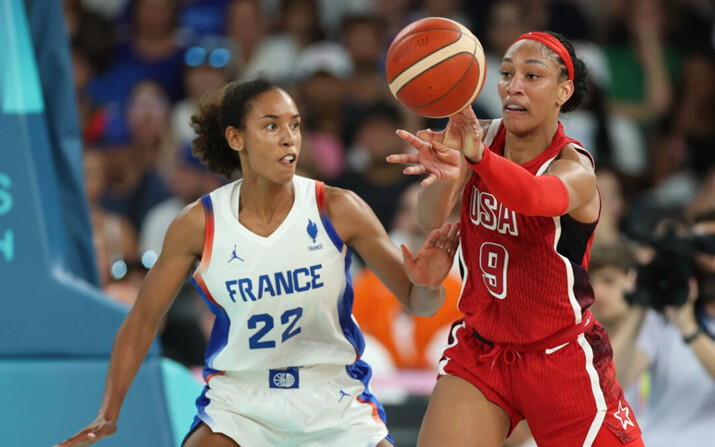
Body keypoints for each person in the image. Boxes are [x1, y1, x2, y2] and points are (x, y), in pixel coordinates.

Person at [54, 78, 460, 447]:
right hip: (241, 401)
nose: (290, 139)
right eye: (272, 126)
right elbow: (142, 319)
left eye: (296, 125)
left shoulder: (337, 207)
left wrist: (427, 284)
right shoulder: (200, 222)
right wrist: (109, 412)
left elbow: (419, 302)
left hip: (331, 397)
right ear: (236, 138)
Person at [387, 31, 645, 447]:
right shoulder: (479, 139)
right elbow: (428, 215)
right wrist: (445, 174)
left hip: (559, 355)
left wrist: (478, 159)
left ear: (564, 90)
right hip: (482, 348)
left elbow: (533, 197)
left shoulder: (574, 167)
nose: (514, 85)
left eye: (532, 75)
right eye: (506, 73)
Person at [613, 209, 715, 447]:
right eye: (697, 247)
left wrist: (689, 328)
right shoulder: (665, 319)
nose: (704, 259)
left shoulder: (683, 321)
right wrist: (641, 305)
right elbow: (613, 381)